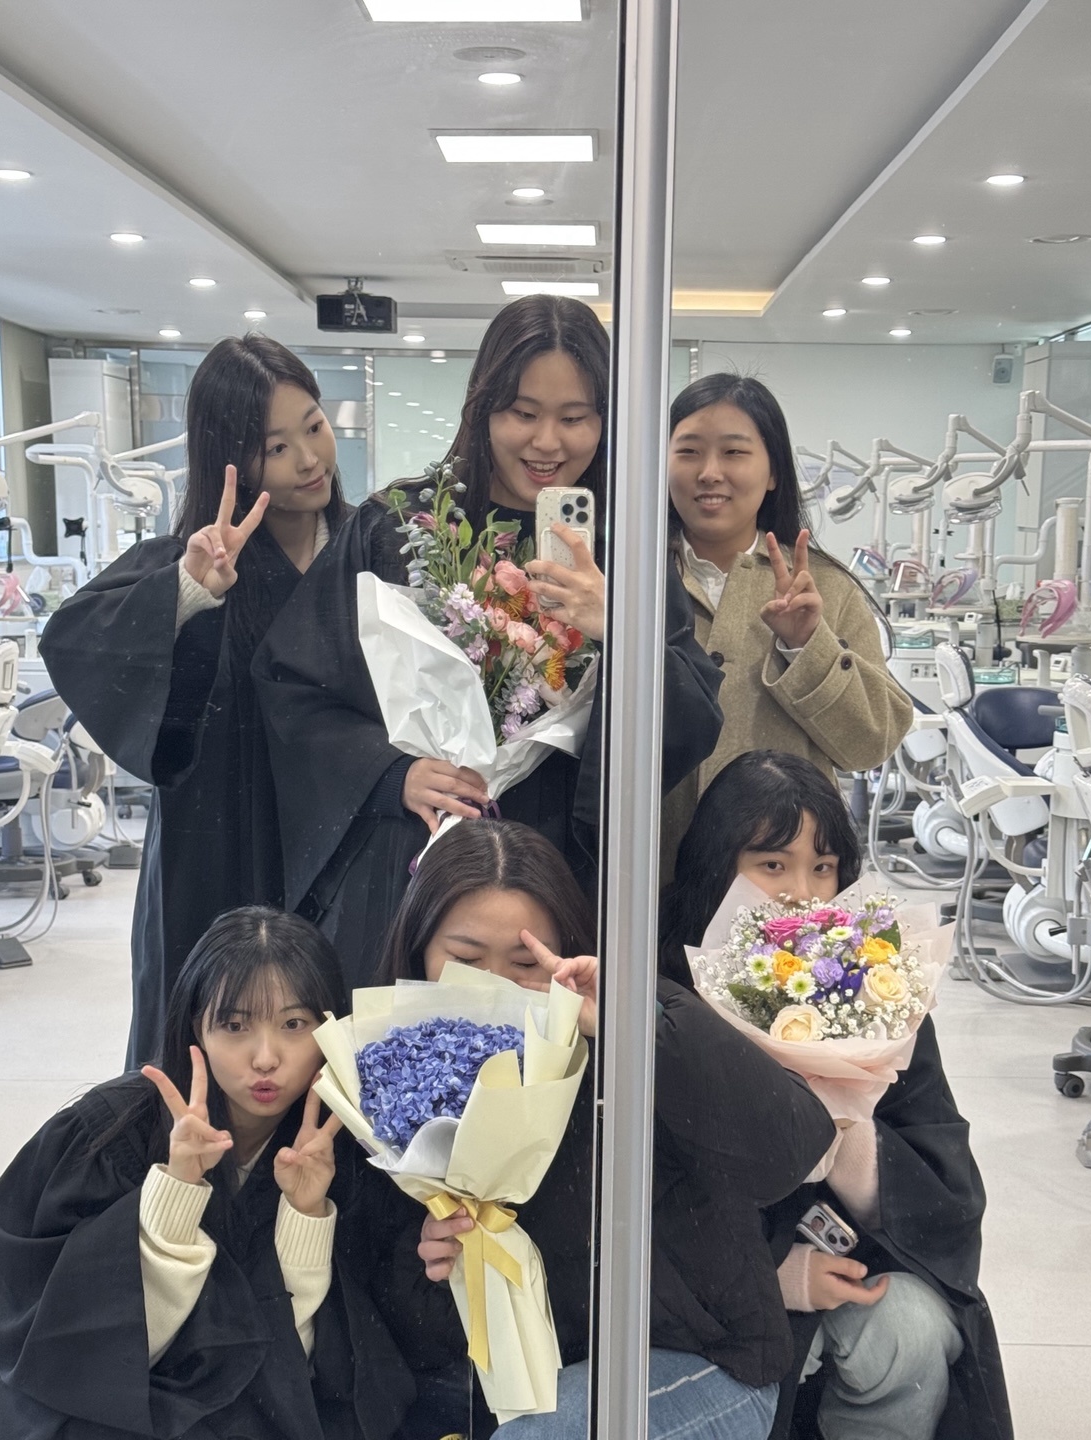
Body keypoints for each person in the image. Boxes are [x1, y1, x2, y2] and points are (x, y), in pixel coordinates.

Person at [253, 295, 723, 995]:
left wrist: (621, 629)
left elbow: (691, 719)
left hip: (559, 856)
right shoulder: (401, 526)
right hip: (416, 849)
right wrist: (389, 773)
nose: (547, 442)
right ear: (483, 408)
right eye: (522, 413)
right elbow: (293, 683)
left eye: (576, 417)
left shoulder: (627, 546)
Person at [372, 818, 836, 1440]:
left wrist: (632, 1025)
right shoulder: (397, 1075)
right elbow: (414, 1333)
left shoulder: (626, 1013)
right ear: (417, 954)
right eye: (465, 959)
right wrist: (435, 1262)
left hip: (709, 1366)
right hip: (543, 1384)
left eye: (524, 961)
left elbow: (788, 1148)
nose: (492, 986)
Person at [0, 906, 414, 1440]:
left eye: (293, 1024)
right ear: (197, 1028)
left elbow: (312, 1377)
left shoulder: (354, 1153)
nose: (265, 1058)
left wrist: (306, 1213)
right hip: (110, 1407)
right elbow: (83, 1359)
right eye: (234, 1026)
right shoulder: (108, 1135)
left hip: (262, 1407)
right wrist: (175, 1191)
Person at [661, 751, 1014, 1440]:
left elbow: (949, 1196)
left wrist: (847, 1129)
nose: (801, 894)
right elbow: (637, 1199)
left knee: (911, 1330)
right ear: (717, 864)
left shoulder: (874, 990)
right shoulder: (664, 988)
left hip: (853, 1265)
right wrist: (774, 1272)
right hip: (708, 1294)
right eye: (772, 865)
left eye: (822, 867)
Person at [40, 335, 347, 1065]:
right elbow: (74, 638)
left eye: (315, 426)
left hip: (339, 835)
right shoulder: (191, 562)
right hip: (218, 845)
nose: (309, 459)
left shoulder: (367, 551)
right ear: (230, 459)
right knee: (208, 1045)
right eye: (277, 447)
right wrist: (188, 594)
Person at [660, 373, 913, 877]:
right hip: (649, 875)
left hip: (787, 886)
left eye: (734, 452)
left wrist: (807, 646)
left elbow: (871, 743)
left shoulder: (825, 588)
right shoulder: (623, 580)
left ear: (773, 470)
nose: (709, 473)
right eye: (688, 452)